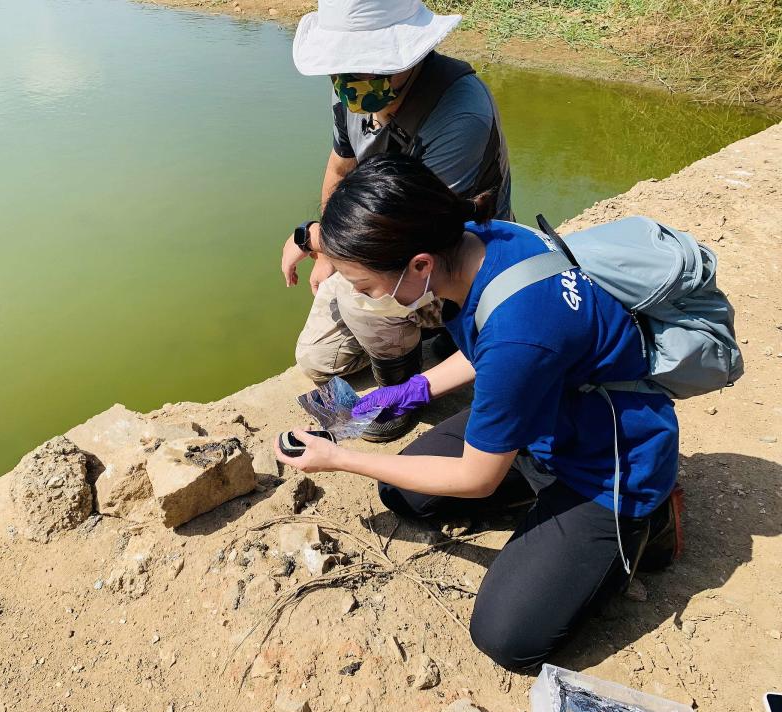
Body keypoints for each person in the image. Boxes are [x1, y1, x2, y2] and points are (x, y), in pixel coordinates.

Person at [274, 154, 683, 671]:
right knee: (405, 493)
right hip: (541, 412)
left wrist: (339, 459)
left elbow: (476, 474)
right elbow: (487, 347)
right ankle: (543, 503)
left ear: (419, 264)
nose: (363, 298)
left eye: (365, 288)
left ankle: (649, 519)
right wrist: (413, 388)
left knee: (506, 637)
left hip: (609, 461)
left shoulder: (520, 334)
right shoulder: (475, 240)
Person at [282, 0, 513, 443]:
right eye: (341, 65)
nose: (350, 79)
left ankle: (402, 391)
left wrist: (315, 239)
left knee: (363, 295)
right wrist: (330, 253)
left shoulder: (459, 113)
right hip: (379, 233)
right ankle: (431, 337)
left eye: (368, 63)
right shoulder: (352, 91)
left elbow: (410, 233)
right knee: (316, 360)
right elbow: (340, 168)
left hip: (447, 251)